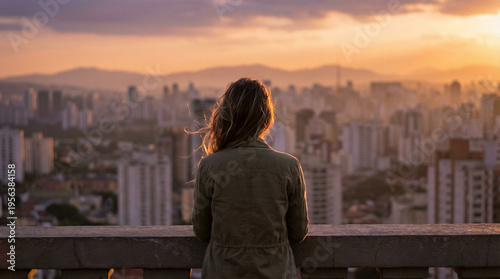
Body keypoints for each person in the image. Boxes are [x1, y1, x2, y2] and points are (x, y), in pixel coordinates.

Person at [192, 77, 309, 279]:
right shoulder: (289, 166)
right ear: (266, 119)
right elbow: (298, 233)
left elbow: (201, 231)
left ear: (226, 116)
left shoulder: (210, 166)